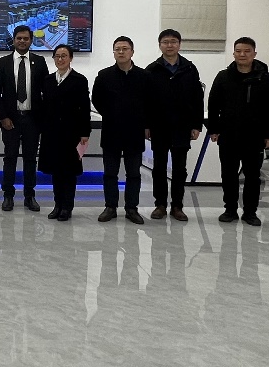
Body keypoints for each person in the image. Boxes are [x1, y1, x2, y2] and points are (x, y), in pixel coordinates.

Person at [206, 37, 269, 227]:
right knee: (228, 174)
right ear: (233, 53)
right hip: (228, 134)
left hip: (255, 136)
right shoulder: (223, 77)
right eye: (238, 51)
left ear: (254, 54)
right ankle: (230, 209)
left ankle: (250, 212)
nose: (242, 54)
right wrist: (213, 129)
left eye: (247, 51)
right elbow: (213, 105)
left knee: (252, 176)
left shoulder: (265, 78)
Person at [91, 35, 153, 225]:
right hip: (112, 130)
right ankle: (110, 207)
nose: (121, 52)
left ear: (132, 52)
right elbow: (96, 99)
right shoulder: (104, 75)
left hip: (135, 132)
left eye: (125, 49)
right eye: (117, 49)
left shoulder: (144, 76)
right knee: (110, 173)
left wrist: (146, 124)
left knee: (133, 173)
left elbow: (151, 103)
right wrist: (111, 114)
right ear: (114, 53)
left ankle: (131, 208)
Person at [145, 29, 204, 222]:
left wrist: (196, 125)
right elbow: (145, 101)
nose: (169, 45)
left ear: (179, 44)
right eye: (165, 42)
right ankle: (160, 205)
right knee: (159, 168)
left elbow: (197, 98)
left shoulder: (189, 69)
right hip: (159, 126)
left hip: (182, 126)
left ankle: (177, 206)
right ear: (159, 45)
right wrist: (146, 125)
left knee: (180, 169)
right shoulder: (152, 69)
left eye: (173, 41)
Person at [0, 24, 47, 212]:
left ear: (31, 40)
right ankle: (8, 195)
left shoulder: (40, 61)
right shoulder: (2, 62)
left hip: (33, 120)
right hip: (10, 120)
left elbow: (46, 91)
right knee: (10, 158)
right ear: (14, 40)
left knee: (31, 159)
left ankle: (30, 196)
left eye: (26, 38)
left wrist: (42, 118)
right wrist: (3, 117)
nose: (22, 41)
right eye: (19, 38)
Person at [38, 44, 91, 222]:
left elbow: (84, 108)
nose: (60, 59)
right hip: (52, 133)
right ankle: (57, 205)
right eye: (57, 56)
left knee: (68, 172)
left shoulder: (79, 80)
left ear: (70, 58)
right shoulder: (48, 80)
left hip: (71, 134)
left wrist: (85, 132)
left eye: (64, 56)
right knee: (55, 171)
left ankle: (67, 207)